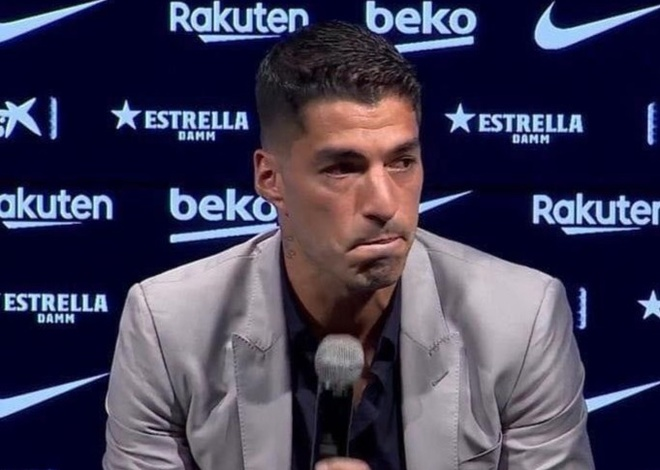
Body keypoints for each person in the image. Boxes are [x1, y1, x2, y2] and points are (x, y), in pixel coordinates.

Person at [102, 21, 595, 470]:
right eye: (342, 168)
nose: (384, 203)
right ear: (270, 179)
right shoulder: (170, 327)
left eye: (402, 162)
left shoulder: (520, 319)